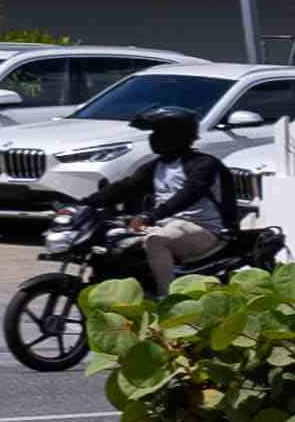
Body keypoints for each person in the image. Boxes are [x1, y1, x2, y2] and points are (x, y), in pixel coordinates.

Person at [97, 112, 234, 299]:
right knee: (112, 238)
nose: (152, 138)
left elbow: (188, 194)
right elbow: (127, 186)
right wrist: (85, 202)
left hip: (206, 229)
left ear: (176, 135)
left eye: (158, 132)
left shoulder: (203, 164)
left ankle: (168, 299)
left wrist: (151, 215)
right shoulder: (156, 166)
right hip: (166, 226)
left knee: (156, 241)